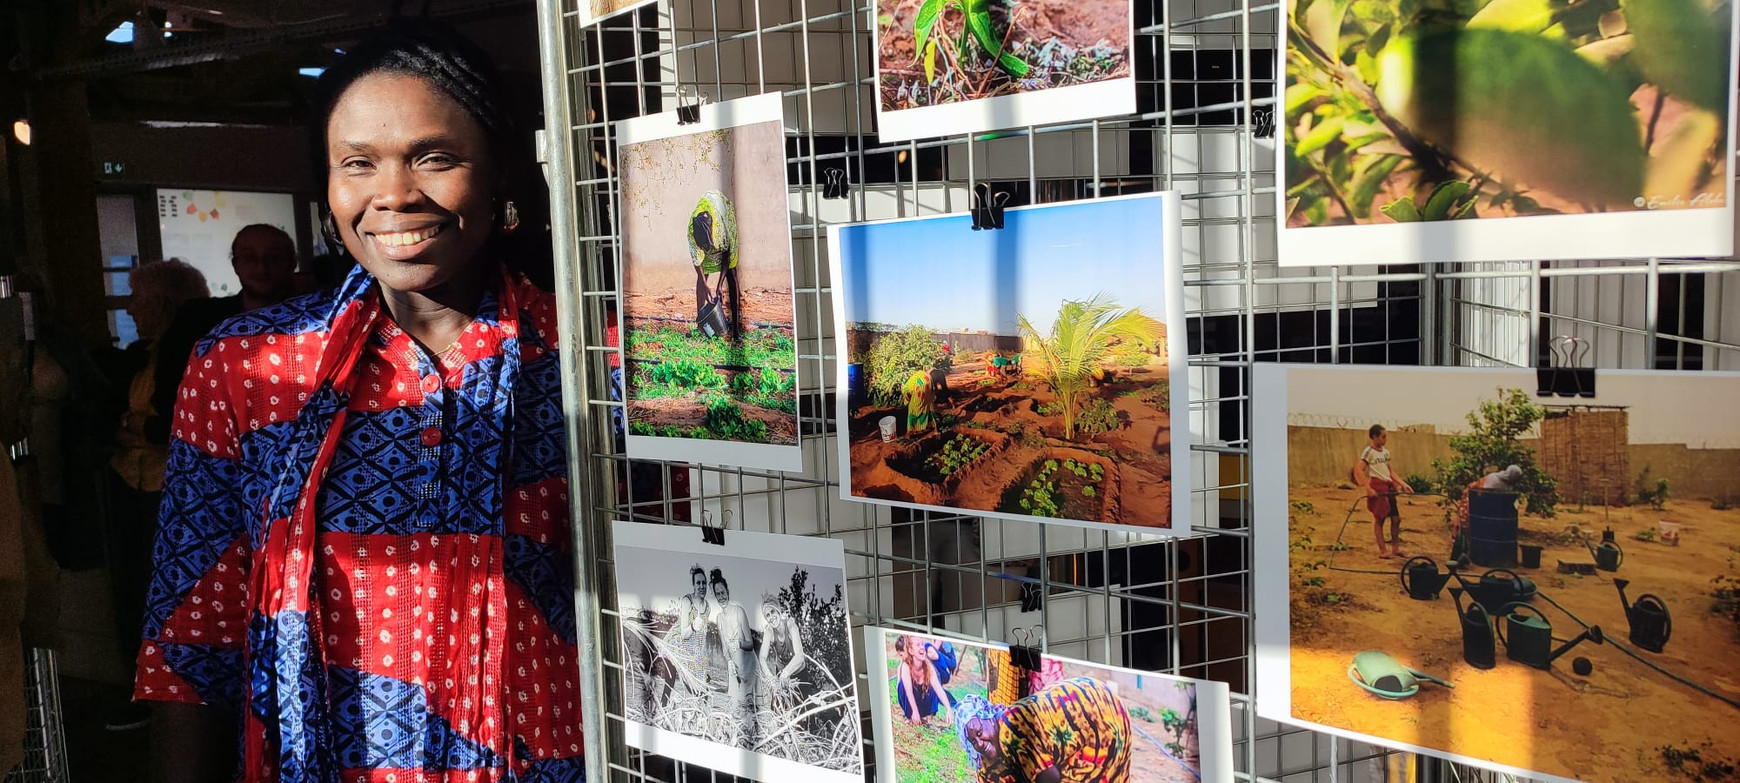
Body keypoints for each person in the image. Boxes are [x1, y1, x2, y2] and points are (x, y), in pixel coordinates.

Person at [133, 22, 583, 782]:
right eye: (358, 164)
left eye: (434, 157)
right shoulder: (248, 365)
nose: (394, 193)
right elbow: (192, 630)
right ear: (329, 187)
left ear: (500, 168)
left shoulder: (587, 355)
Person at [105, 258, 210, 731]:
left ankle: (173, 700)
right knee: (132, 588)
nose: (129, 306)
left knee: (170, 595)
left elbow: (173, 425)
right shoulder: (140, 352)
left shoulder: (190, 351)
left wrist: (140, 426)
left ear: (162, 302)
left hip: (173, 490)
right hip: (133, 483)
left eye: (138, 298)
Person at [144, 224, 299, 449]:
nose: (261, 267)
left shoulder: (314, 323)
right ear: (235, 264)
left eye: (273, 258)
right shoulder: (198, 320)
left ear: (291, 264)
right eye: (248, 257)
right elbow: (171, 392)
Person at [957, 678, 1133, 783]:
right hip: (1098, 704)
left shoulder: (1011, 728)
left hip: (1102, 717)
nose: (979, 743)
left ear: (988, 715)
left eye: (979, 733)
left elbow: (1050, 779)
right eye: (972, 741)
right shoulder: (986, 762)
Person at [709, 569, 758, 747]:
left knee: (747, 706)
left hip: (748, 664)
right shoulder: (719, 618)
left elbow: (750, 644)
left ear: (728, 592)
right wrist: (729, 661)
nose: (721, 596)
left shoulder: (739, 611)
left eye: (723, 592)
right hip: (734, 666)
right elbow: (724, 646)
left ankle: (749, 742)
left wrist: (737, 643)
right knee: (733, 705)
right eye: (717, 594)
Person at [1354, 424, 1413, 559]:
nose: (1385, 439)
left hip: (1388, 487)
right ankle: (1382, 551)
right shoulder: (1368, 452)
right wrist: (1368, 488)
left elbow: (1390, 471)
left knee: (1396, 519)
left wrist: (1403, 484)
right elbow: (1358, 469)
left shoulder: (1386, 452)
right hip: (1378, 486)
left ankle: (1395, 548)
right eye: (1383, 436)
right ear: (1374, 437)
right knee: (1380, 518)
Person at [689, 190, 741, 340]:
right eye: (703, 247)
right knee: (701, 278)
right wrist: (705, 285)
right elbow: (697, 260)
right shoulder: (692, 232)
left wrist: (719, 284)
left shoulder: (722, 229)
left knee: (732, 274)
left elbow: (727, 254)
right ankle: (701, 325)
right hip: (709, 227)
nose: (706, 250)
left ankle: (736, 330)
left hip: (724, 214)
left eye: (707, 246)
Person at [758, 602, 808, 712]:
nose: (771, 617)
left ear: (778, 611)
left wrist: (786, 673)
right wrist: (770, 678)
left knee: (804, 710)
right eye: (767, 615)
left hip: (798, 672)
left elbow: (800, 656)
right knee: (777, 708)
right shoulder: (769, 632)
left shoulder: (791, 626)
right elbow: (762, 657)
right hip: (781, 672)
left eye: (772, 612)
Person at [894, 634, 953, 726]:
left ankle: (928, 716)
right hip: (911, 703)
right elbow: (908, 691)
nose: (922, 647)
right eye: (918, 645)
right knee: (903, 685)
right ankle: (909, 716)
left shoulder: (928, 666)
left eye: (922, 644)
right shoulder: (906, 666)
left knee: (933, 685)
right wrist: (914, 711)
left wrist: (948, 708)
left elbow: (939, 689)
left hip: (923, 702)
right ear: (911, 651)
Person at [1454, 464, 1524, 539]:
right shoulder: (1494, 480)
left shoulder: (1506, 481)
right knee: (1468, 527)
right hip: (1475, 501)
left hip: (1485, 507)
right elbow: (1485, 497)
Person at [902, 369, 935, 437]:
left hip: (918, 399)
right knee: (930, 413)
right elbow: (932, 389)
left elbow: (906, 395)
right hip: (928, 398)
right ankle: (935, 430)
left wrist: (908, 401)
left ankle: (909, 433)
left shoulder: (908, 384)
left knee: (912, 413)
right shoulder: (927, 376)